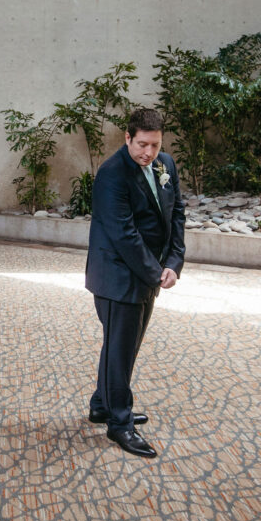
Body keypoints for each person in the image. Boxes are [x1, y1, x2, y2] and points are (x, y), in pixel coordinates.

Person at [85, 108, 186, 458]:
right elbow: (123, 234)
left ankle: (102, 404)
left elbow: (177, 213)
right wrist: (157, 272)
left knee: (122, 346)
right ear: (127, 138)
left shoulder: (165, 165)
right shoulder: (112, 174)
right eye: (141, 144)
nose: (148, 153)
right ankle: (119, 423)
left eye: (155, 146)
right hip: (117, 276)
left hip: (148, 271)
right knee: (120, 348)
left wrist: (174, 262)